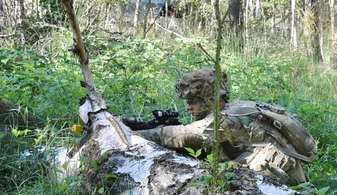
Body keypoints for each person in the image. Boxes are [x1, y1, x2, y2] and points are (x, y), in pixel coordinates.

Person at [133, 66, 317, 185]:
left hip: (283, 185)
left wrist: (131, 134)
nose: (188, 107)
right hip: (284, 175)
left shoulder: (228, 120)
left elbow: (183, 135)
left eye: (193, 101)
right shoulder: (237, 107)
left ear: (211, 99)